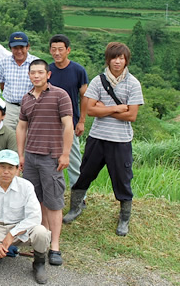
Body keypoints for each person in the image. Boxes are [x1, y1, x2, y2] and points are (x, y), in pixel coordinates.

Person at [63, 42, 143, 237]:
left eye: (121, 58)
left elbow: (132, 115)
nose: (117, 61)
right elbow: (90, 110)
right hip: (97, 138)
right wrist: (116, 108)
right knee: (85, 174)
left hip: (120, 140)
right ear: (108, 60)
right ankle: (75, 207)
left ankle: (124, 218)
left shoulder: (133, 83)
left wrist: (103, 109)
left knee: (123, 179)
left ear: (126, 60)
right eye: (114, 58)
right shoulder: (98, 81)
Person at [16, 59, 73, 266]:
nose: (36, 76)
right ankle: (43, 241)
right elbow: (21, 127)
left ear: (48, 75)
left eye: (40, 72)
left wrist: (65, 154)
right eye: (33, 73)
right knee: (36, 202)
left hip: (51, 157)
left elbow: (68, 126)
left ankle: (55, 247)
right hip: (30, 157)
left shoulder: (60, 95)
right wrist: (20, 155)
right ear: (29, 75)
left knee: (54, 203)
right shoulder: (27, 98)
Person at [0, 150, 52, 284]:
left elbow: (34, 217)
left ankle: (39, 263)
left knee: (41, 232)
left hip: (20, 228)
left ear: (18, 169)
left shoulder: (26, 186)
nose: (6, 172)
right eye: (2, 167)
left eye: (10, 168)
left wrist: (12, 234)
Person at [48, 34, 89, 191]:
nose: (57, 53)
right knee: (50, 161)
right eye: (53, 49)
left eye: (60, 49)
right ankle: (54, 192)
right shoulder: (48, 70)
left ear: (68, 50)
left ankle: (79, 197)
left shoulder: (78, 70)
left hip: (70, 124)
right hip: (50, 124)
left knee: (73, 161)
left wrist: (82, 121)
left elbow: (84, 96)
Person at [0, 31, 39, 129]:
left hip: (31, 106)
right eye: (15, 48)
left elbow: (41, 87)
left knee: (29, 137)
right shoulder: (3, 63)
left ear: (27, 47)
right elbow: (2, 84)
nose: (19, 51)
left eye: (22, 48)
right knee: (8, 136)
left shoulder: (36, 63)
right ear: (10, 48)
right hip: (10, 108)